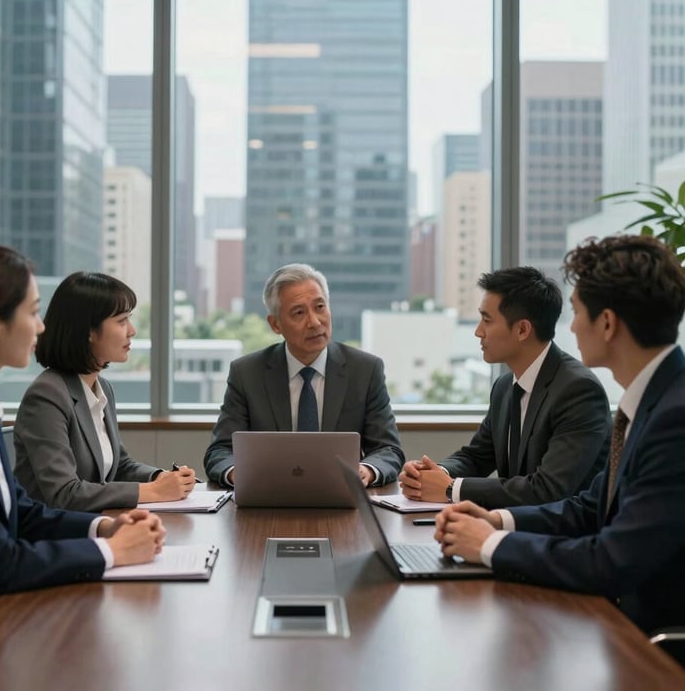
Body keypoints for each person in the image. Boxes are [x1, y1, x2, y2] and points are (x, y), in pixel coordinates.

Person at [434, 235, 685, 633]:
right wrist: (497, 520)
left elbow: (612, 560)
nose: (571, 327)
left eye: (576, 312)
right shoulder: (652, 403)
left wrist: (489, 545)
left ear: (607, 324)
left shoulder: (674, 418)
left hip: (649, 645)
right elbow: (589, 508)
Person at [0, 244, 165, 634]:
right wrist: (110, 552)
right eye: (32, 312)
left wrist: (103, 528)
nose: (42, 326)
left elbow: (23, 513)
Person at [400, 267, 610, 508]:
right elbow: (477, 457)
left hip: (565, 538)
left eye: (487, 321)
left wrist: (449, 488)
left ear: (522, 330)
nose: (478, 331)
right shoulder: (504, 386)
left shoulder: (578, 391)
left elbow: (548, 490)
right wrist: (429, 474)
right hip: (516, 529)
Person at [204, 262, 405, 487]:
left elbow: (388, 449)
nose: (314, 322)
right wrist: (237, 474)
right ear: (275, 324)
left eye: (320, 307)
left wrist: (367, 470)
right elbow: (220, 451)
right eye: (299, 313)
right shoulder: (247, 374)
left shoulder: (365, 370)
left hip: (342, 501)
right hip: (269, 500)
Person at [14, 272, 197, 512]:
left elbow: (119, 466)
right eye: (121, 321)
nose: (132, 330)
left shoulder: (101, 388)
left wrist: (160, 478)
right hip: (52, 536)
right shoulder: (47, 395)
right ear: (88, 330)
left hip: (93, 524)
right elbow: (63, 494)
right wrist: (153, 492)